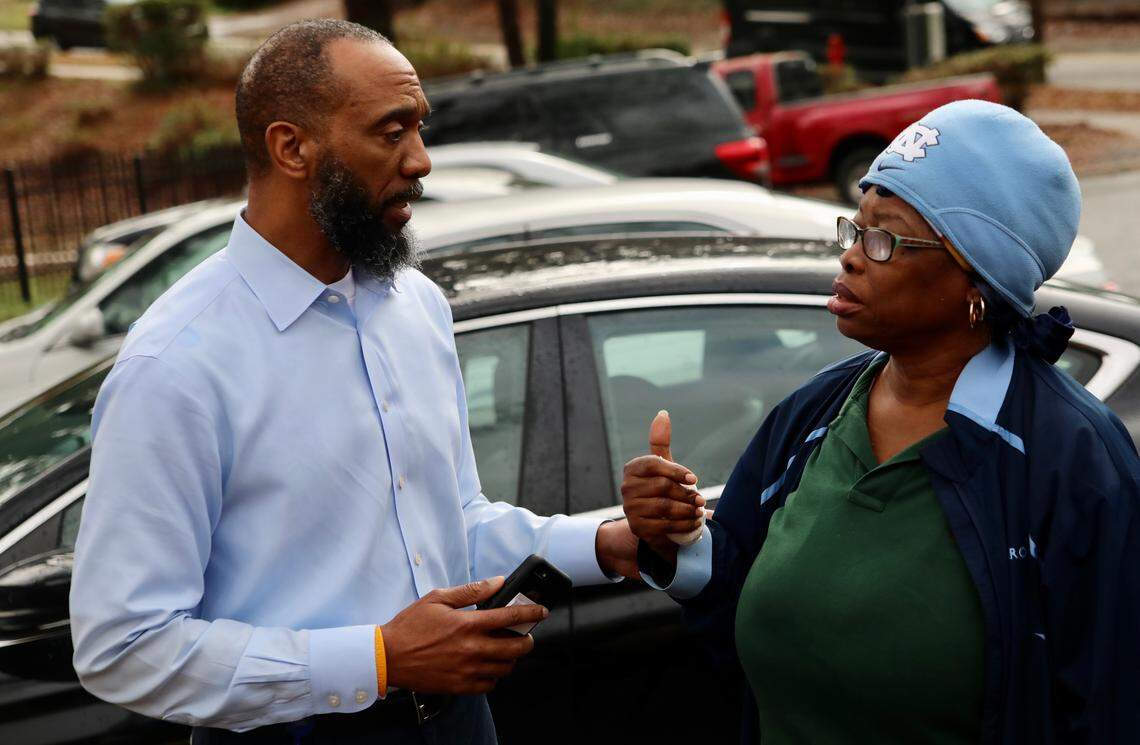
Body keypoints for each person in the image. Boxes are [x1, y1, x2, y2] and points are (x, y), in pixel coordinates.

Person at [69, 20, 641, 744]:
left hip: (460, 722)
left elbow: (451, 526)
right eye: (391, 131)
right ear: (292, 147)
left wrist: (607, 542)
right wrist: (376, 657)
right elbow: (122, 646)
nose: (422, 160)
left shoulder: (415, 305)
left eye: (420, 128)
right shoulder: (176, 365)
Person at [621, 100, 1140, 744]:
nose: (851, 257)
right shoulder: (816, 411)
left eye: (885, 238)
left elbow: (1110, 705)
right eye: (855, 226)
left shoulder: (1076, 461)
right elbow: (735, 588)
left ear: (975, 280)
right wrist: (678, 542)